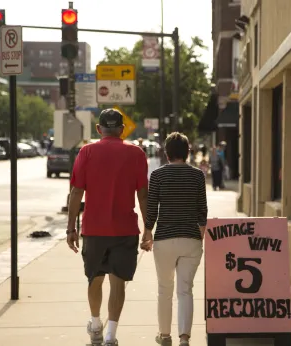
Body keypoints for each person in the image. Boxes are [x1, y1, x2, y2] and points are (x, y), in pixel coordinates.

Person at [66, 108, 149, 346]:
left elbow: (76, 192)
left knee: (95, 278)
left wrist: (71, 228)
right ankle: (111, 334)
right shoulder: (136, 154)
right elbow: (143, 194)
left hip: (93, 229)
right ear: (122, 129)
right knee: (118, 281)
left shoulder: (87, 152)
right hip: (125, 229)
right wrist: (148, 227)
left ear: (99, 129)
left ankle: (95, 326)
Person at [140, 132, 208, 346]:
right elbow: (202, 211)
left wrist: (147, 232)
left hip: (165, 240)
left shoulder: (158, 176)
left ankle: (165, 335)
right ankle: (185, 338)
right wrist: (200, 237)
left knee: (164, 289)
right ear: (188, 152)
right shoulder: (198, 176)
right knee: (185, 289)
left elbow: (152, 209)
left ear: (166, 153)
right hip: (191, 239)